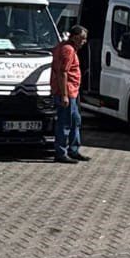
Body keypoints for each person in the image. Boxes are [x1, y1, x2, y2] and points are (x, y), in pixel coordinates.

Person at [50, 25, 88, 164]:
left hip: (73, 90)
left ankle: (74, 149)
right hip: (67, 91)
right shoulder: (68, 50)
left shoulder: (65, 47)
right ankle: (61, 152)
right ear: (74, 37)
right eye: (82, 38)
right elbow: (62, 72)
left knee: (76, 120)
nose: (84, 41)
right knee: (65, 122)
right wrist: (64, 95)